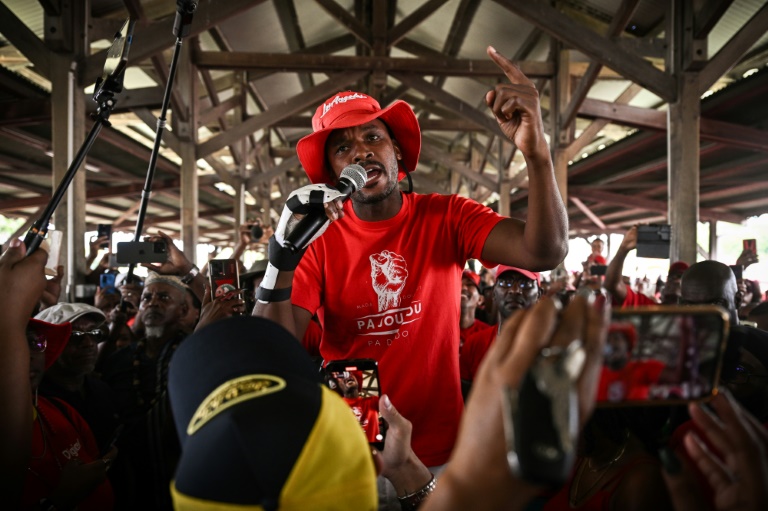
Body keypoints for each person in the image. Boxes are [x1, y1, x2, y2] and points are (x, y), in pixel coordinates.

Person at [253, 45, 568, 471]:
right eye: (342, 147)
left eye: (373, 137)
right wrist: (281, 259)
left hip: (441, 451)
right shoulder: (319, 240)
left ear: (397, 151)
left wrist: (537, 153)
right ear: (332, 173)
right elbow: (271, 350)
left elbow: (544, 251)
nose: (361, 152)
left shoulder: (449, 216)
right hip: (354, 451)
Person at [24, 318, 116, 510]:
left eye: (34, 342)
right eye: (74, 337)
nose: (28, 354)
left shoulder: (61, 410)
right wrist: (58, 501)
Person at [35, 303, 121, 453]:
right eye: (74, 336)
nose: (88, 343)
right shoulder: (36, 402)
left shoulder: (102, 391)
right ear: (47, 345)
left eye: (94, 334)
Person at [460, 265, 541, 385]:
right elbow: (466, 397)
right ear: (493, 293)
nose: (514, 290)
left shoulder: (549, 346)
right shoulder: (474, 343)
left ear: (539, 294)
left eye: (525, 284)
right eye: (506, 283)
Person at [604, 225, 689, 307]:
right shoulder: (648, 307)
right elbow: (613, 285)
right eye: (672, 277)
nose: (676, 281)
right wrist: (623, 248)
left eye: (681, 277)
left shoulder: (697, 316)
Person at [459, 270, 491, 349]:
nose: (463, 287)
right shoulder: (440, 330)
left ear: (480, 300)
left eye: (469, 284)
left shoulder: (488, 335)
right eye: (458, 284)